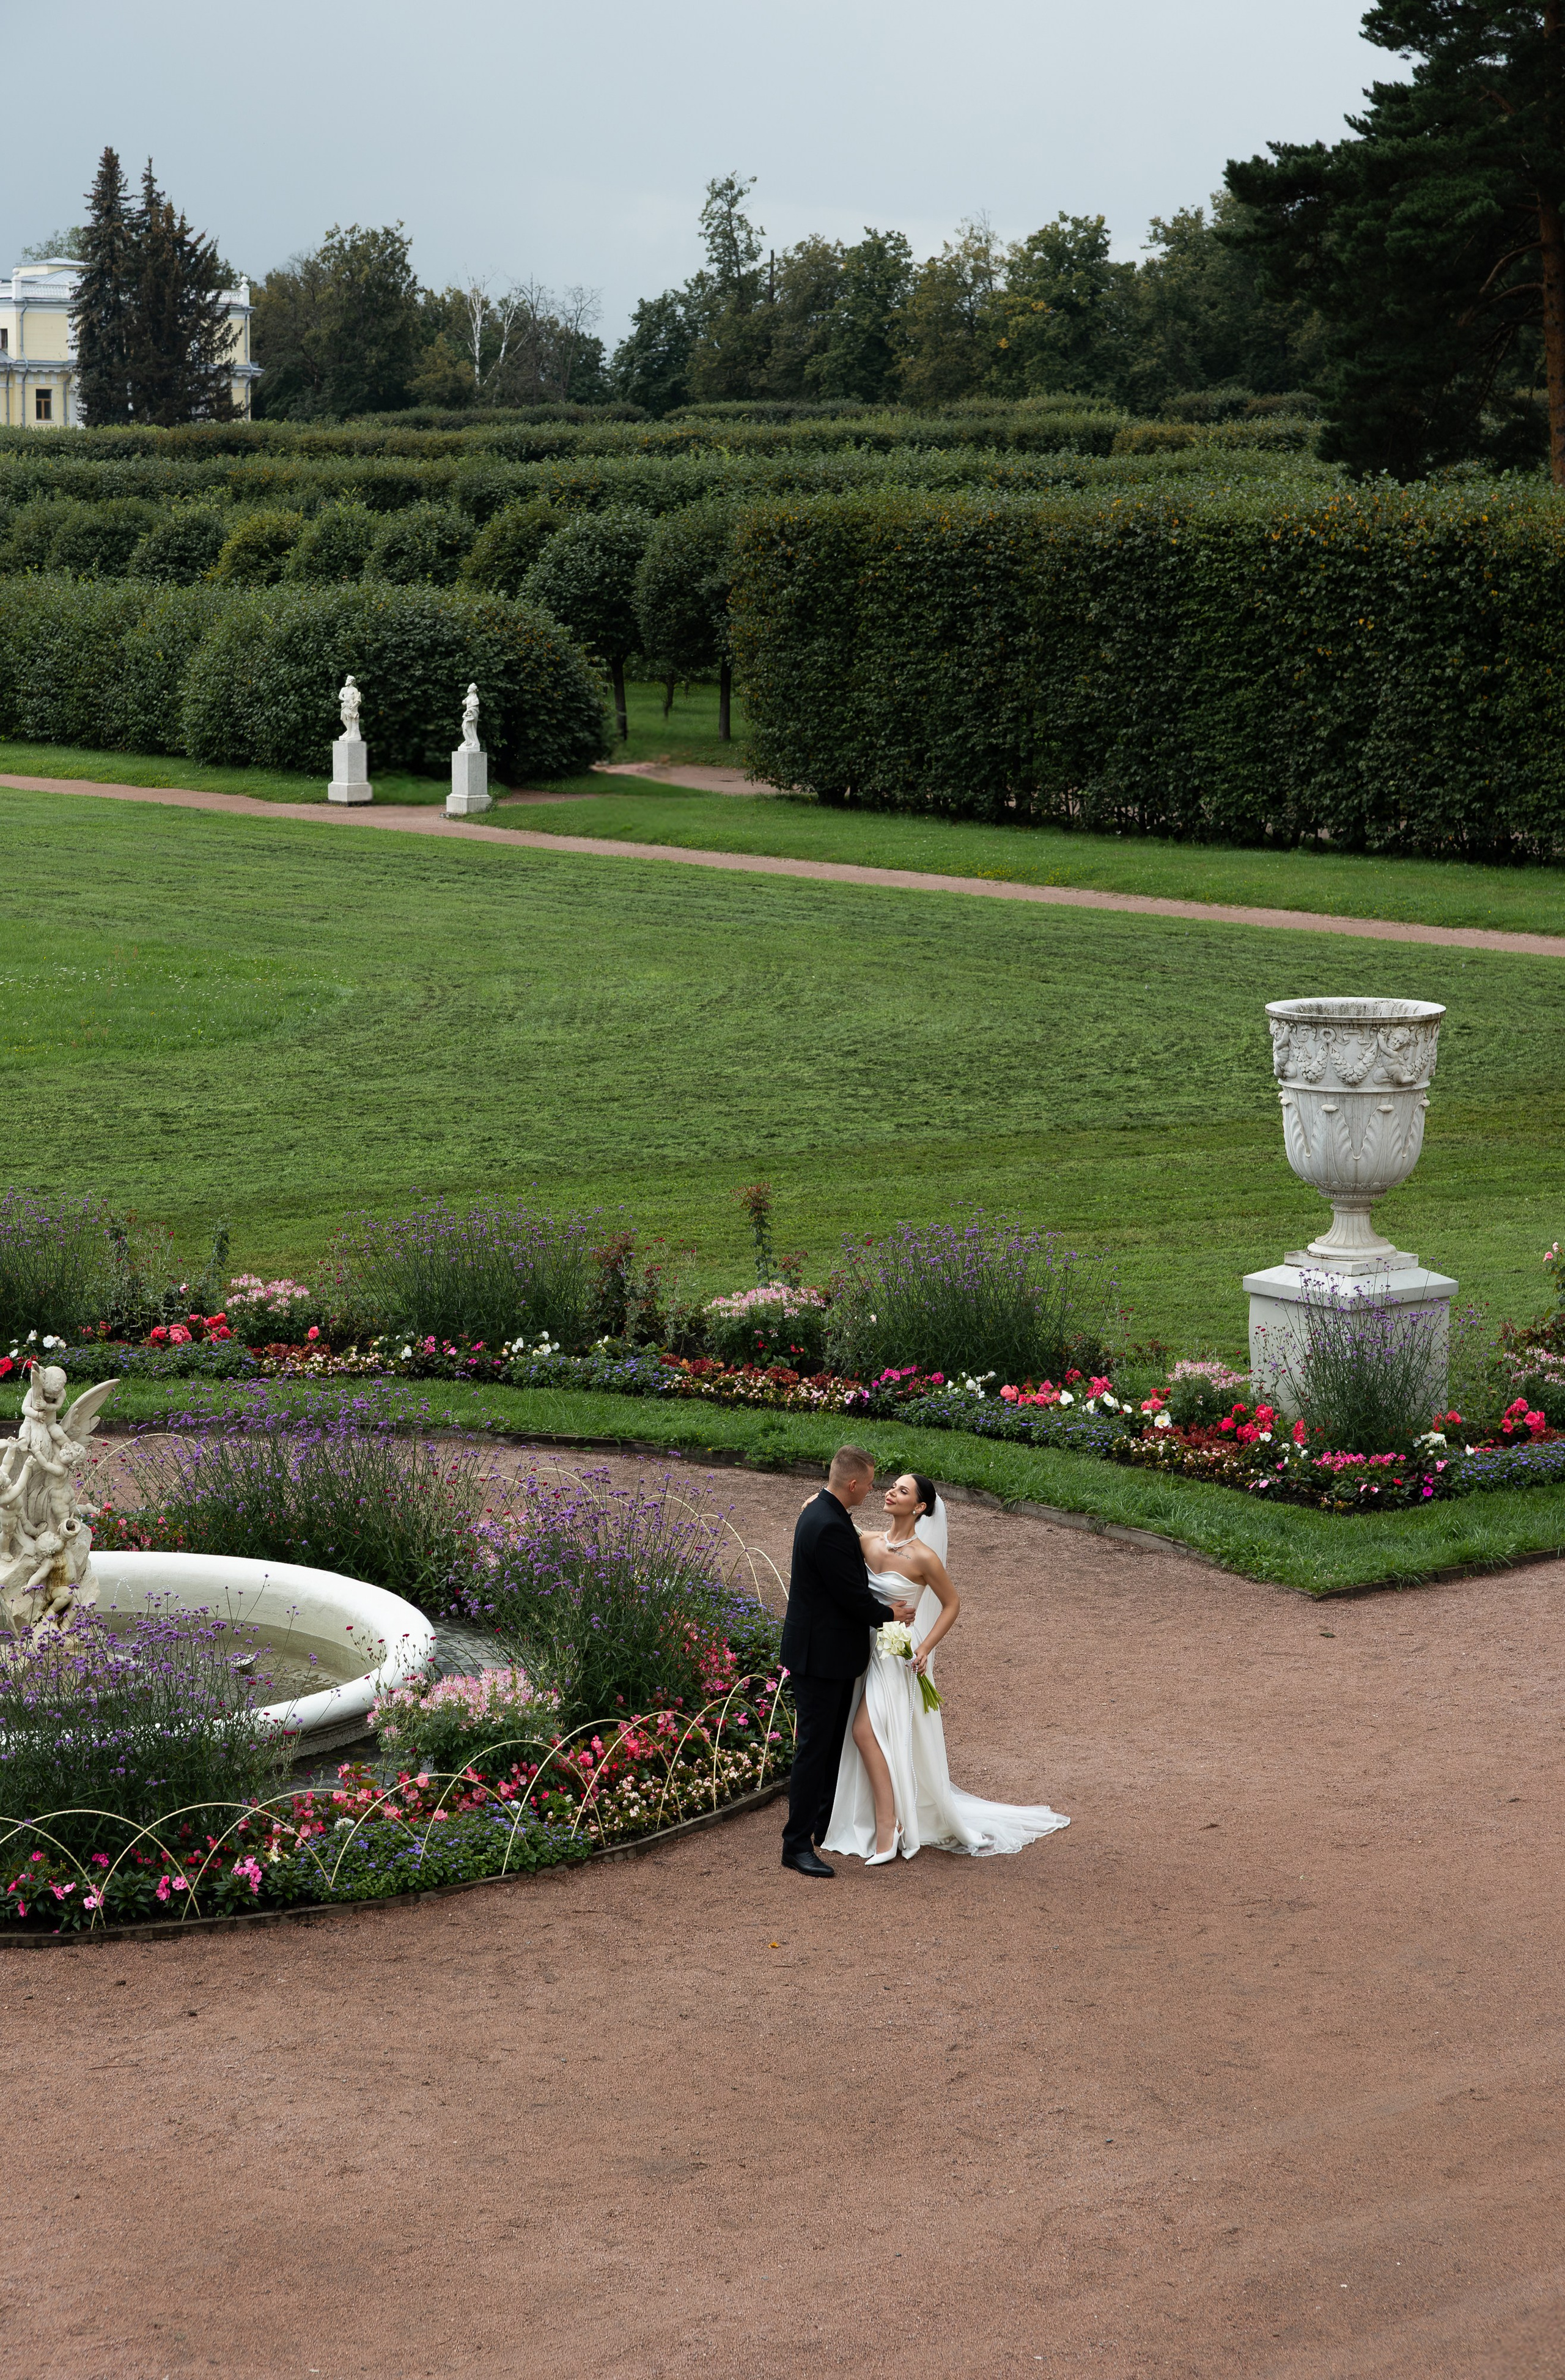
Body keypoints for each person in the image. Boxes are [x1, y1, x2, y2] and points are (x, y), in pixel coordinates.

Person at [821, 1471, 1069, 1863]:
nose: (890, 1492)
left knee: (863, 1732)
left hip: (896, 1656)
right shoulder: (867, 1540)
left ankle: (890, 1826)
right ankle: (878, 1818)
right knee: (869, 1735)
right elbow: (821, 1515)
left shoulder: (923, 1557)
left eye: (902, 1491)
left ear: (919, 1507)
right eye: (891, 1486)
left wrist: (924, 1647)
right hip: (863, 1649)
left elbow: (952, 1604)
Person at [779, 1446, 915, 1878]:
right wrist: (890, 1614)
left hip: (825, 1654)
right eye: (872, 1481)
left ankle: (822, 1826)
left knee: (829, 1748)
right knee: (814, 1752)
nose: (875, 1488)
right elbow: (851, 1598)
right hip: (820, 1658)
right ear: (853, 1484)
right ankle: (796, 1845)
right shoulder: (829, 1525)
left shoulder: (823, 1513)